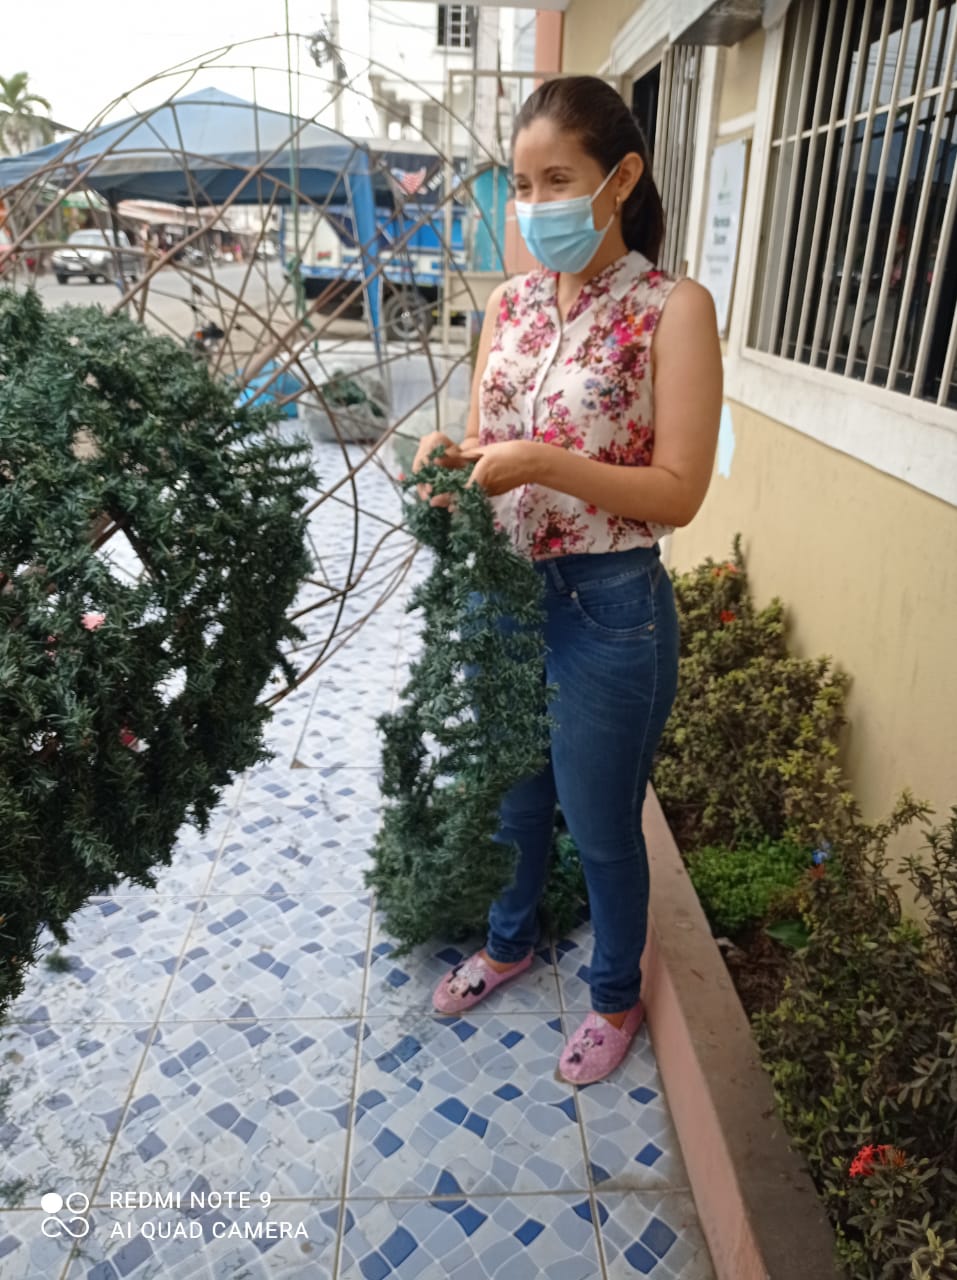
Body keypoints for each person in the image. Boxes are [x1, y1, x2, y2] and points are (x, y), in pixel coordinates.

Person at [412, 76, 722, 1086]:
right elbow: (483, 440)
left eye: (558, 179)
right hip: (506, 594)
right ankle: (507, 943)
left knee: (598, 826)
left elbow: (678, 492)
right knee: (514, 805)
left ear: (620, 178)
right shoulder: (507, 305)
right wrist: (449, 460)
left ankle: (613, 996)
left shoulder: (672, 309)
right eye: (521, 183)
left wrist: (546, 463)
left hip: (609, 605)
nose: (535, 203)